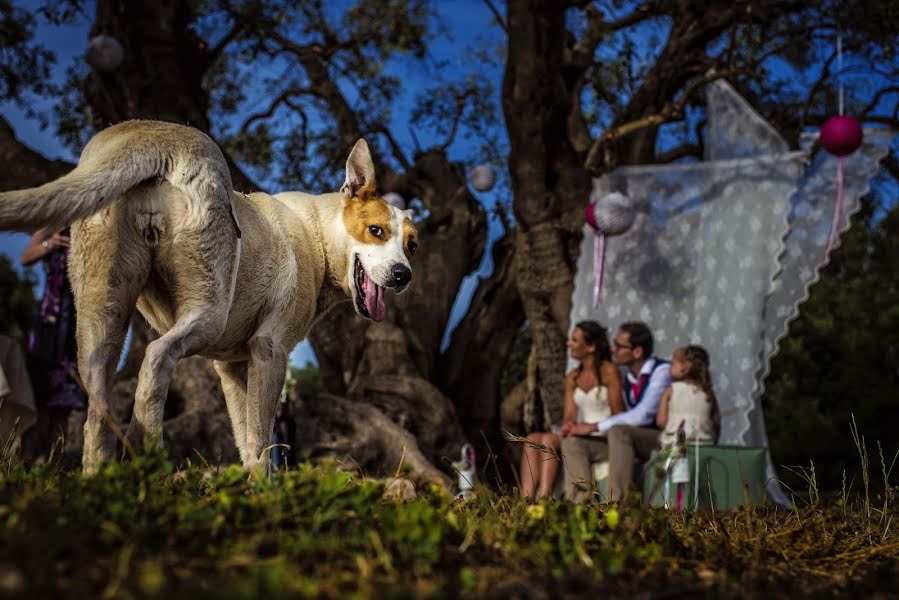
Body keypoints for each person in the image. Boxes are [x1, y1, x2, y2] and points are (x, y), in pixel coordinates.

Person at [561, 321, 671, 503]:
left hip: (657, 438)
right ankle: (579, 503)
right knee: (573, 443)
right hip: (627, 441)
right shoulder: (627, 377)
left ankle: (616, 503)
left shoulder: (662, 371)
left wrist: (593, 426)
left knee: (619, 431)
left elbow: (643, 414)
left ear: (637, 352)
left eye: (619, 346)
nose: (613, 349)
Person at [519, 321, 622, 500]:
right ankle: (525, 499)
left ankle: (545, 497)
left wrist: (589, 427)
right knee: (532, 439)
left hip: (603, 436)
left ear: (590, 347)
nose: (568, 344)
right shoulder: (572, 377)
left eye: (574, 340)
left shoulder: (609, 371)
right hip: (579, 433)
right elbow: (569, 415)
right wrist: (569, 425)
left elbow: (618, 413)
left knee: (548, 441)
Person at [20, 227, 86, 461]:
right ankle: (25, 462)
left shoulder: (88, 224)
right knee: (39, 397)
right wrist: (52, 243)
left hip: (76, 326)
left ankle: (53, 464)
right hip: (49, 323)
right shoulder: (50, 225)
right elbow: (25, 258)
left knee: (65, 403)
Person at [656, 345, 720, 449]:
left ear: (684, 367)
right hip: (703, 446)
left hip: (676, 444)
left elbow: (661, 422)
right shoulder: (708, 393)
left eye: (672, 364)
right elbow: (716, 423)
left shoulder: (671, 390)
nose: (669, 367)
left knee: (659, 440)